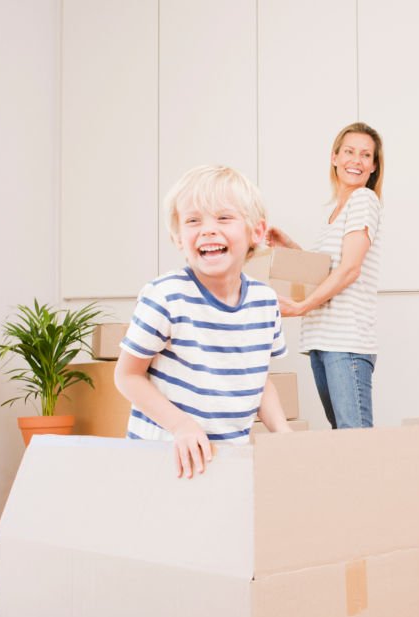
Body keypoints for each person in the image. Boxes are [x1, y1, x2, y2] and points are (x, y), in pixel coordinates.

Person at [114, 165, 292, 478]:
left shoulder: (265, 303)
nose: (208, 230)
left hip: (226, 461)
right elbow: (127, 376)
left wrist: (283, 434)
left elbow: (259, 380)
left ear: (257, 232)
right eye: (193, 220)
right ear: (178, 237)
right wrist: (181, 426)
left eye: (224, 218)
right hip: (162, 459)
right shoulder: (165, 295)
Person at [267, 122, 383, 429]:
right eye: (349, 152)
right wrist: (290, 246)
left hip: (346, 341)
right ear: (334, 157)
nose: (355, 161)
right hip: (323, 339)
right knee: (342, 438)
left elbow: (349, 269)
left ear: (373, 166)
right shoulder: (336, 212)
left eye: (365, 155)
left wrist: (300, 307)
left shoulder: (363, 200)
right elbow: (326, 271)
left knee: (353, 438)